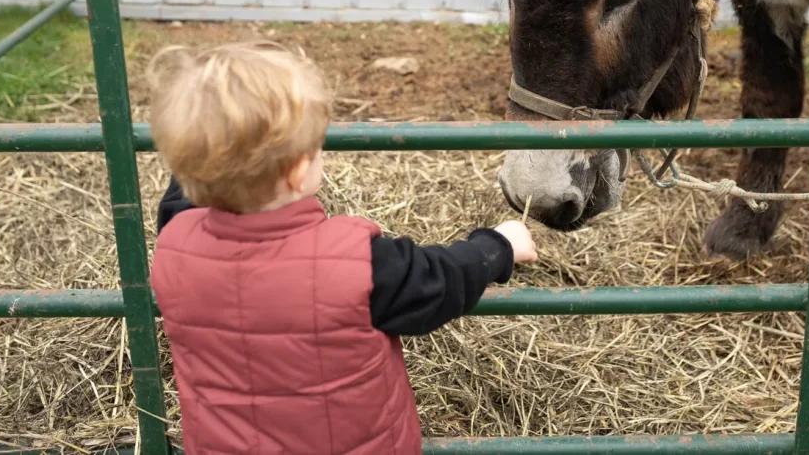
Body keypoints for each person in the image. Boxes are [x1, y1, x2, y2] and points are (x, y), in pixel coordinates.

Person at [146, 40, 537, 455]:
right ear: (299, 172)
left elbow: (181, 202)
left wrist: (206, 148)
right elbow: (439, 279)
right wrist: (498, 246)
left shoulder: (175, 245)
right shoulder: (356, 264)